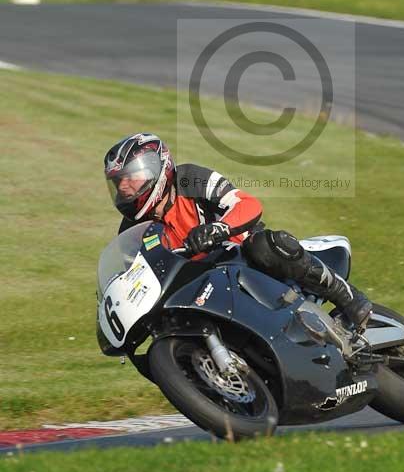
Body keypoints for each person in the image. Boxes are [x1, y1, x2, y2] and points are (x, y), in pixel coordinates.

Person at [104, 133, 372, 331]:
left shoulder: (190, 179)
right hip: (204, 288)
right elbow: (135, 280)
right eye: (118, 182)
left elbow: (248, 204)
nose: (124, 187)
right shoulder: (134, 231)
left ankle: (345, 295)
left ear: (155, 168)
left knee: (263, 245)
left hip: (244, 257)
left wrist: (218, 229)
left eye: (130, 177)